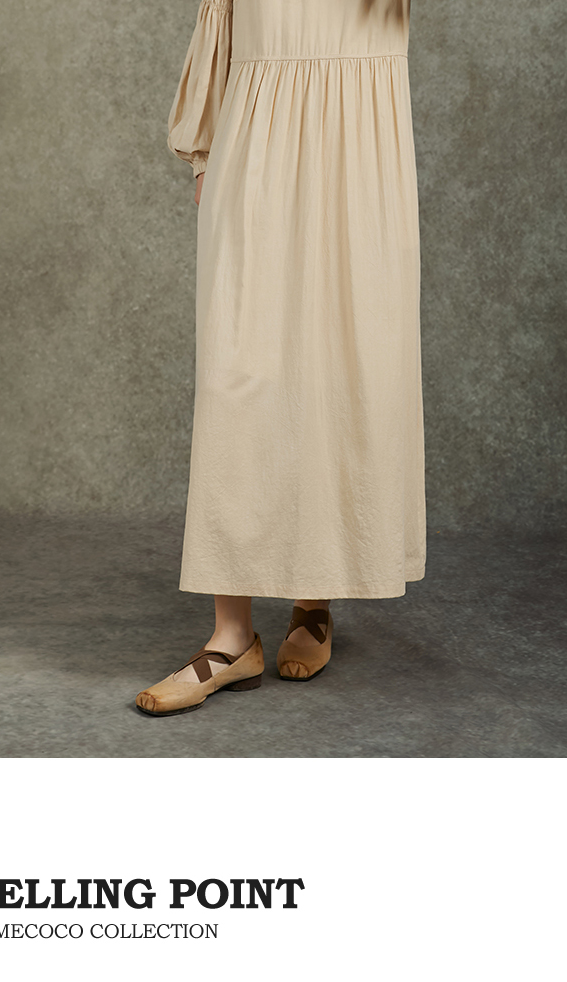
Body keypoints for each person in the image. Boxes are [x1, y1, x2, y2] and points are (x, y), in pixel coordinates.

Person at [136, 0, 426, 717]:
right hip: (256, 132)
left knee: (336, 368)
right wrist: (207, 144)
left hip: (359, 147)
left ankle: (313, 600)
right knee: (240, 374)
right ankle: (231, 639)